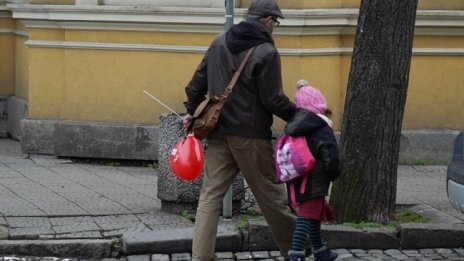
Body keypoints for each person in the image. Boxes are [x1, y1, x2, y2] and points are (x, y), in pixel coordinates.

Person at [182, 0, 298, 260]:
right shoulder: (266, 51)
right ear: (267, 20)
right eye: (275, 23)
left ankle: (201, 257)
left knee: (210, 197)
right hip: (251, 136)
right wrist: (299, 116)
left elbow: (196, 83)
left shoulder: (219, 41)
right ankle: (296, 250)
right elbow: (273, 99)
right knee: (271, 196)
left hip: (217, 130)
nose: (274, 28)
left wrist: (191, 110)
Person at [285, 79, 340, 261]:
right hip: (315, 180)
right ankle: (296, 254)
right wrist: (334, 173)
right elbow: (330, 155)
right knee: (307, 216)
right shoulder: (322, 128)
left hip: (298, 178)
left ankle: (320, 250)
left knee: (314, 214)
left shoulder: (296, 126)